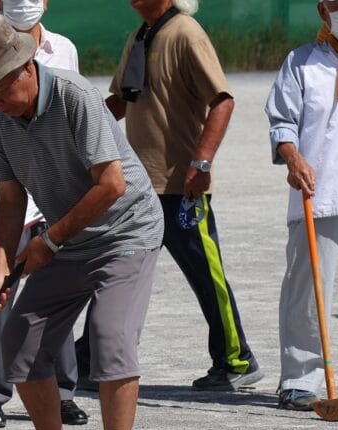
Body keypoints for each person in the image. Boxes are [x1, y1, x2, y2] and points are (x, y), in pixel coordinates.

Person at [0, 14, 164, 430]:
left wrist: (48, 242)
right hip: (70, 240)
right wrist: (0, 267)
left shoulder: (75, 96)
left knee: (111, 339)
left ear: (26, 68)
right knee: (21, 341)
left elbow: (111, 185)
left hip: (125, 232)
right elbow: (9, 197)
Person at [75, 0, 264, 393]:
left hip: (180, 184)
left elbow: (222, 101)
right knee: (118, 269)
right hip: (140, 185)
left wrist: (203, 162)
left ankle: (237, 360)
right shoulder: (140, 35)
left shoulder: (186, 34)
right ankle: (90, 357)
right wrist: (79, 130)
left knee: (206, 275)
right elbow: (123, 100)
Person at [0, 0, 88, 428]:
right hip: (2, 190)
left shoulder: (64, 49)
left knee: (57, 290)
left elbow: (77, 118)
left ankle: (61, 390)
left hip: (56, 191)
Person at [265, 0, 338, 410]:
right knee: (308, 290)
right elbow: (282, 121)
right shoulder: (300, 63)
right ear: (322, 10)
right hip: (316, 190)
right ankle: (300, 379)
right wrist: (293, 158)